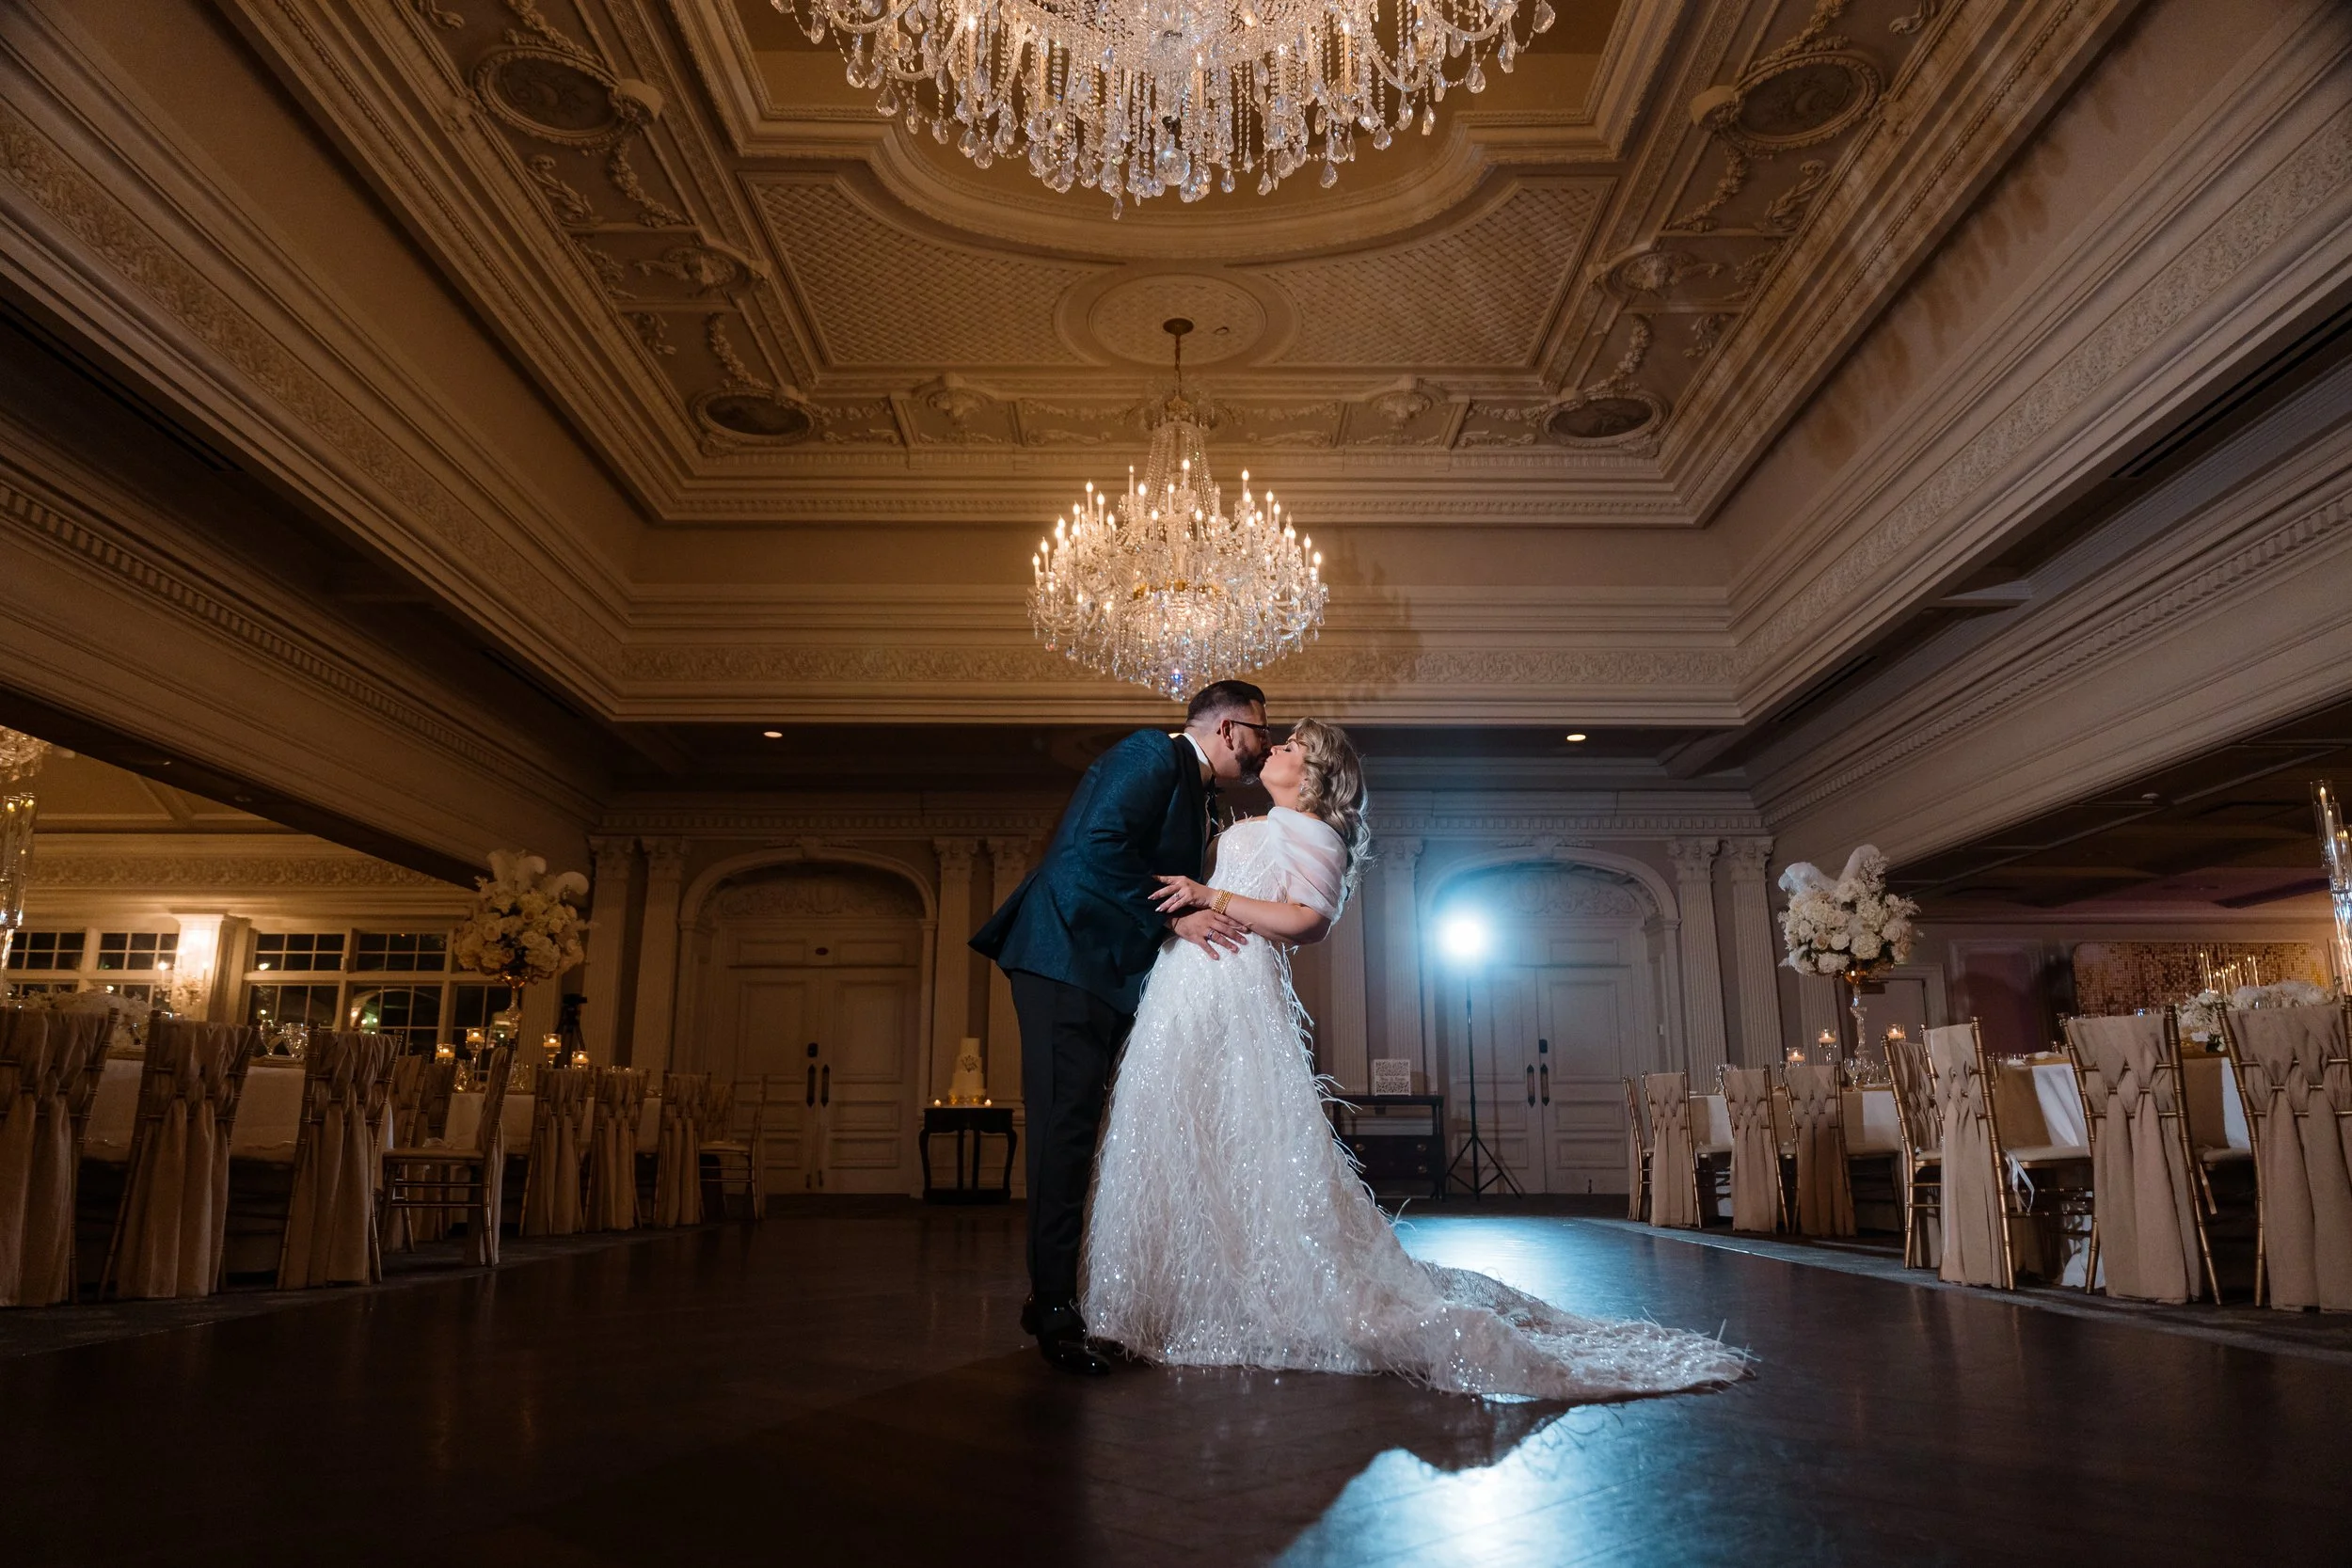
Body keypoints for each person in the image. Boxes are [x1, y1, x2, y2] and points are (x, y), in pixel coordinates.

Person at [1085, 718, 1748, 1402]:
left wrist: (1211, 895)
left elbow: (1310, 920)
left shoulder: (1315, 831)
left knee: (1241, 1137)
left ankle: (1253, 1295)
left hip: (1230, 985)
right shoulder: (1254, 819)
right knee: (1180, 1132)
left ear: (1316, 774)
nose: (1273, 749)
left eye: (1290, 747)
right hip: (1183, 983)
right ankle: (1168, 1294)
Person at [972, 679, 1274, 1375]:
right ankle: (1053, 1310)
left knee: (1080, 1134)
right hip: (1065, 959)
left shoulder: (1203, 793)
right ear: (1229, 729)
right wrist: (1174, 918)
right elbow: (1092, 848)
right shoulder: (1148, 753)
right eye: (1261, 730)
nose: (1264, 746)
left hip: (1104, 972)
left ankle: (1051, 1296)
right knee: (1062, 1134)